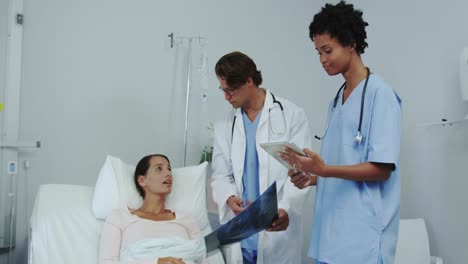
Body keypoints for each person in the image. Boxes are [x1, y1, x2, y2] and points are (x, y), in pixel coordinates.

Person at [280, 1, 402, 264]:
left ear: (350, 44)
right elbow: (341, 165)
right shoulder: (337, 102)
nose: (322, 60)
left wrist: (323, 171)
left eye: (327, 50)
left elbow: (381, 169)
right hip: (330, 237)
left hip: (362, 239)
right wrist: (312, 179)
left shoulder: (381, 96)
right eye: (318, 53)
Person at [210, 51, 312, 264]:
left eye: (230, 90)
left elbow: (302, 173)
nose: (226, 97)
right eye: (223, 90)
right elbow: (220, 175)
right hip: (242, 233)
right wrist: (229, 198)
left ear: (249, 81)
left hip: (278, 232)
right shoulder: (225, 126)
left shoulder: (291, 115)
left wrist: (285, 209)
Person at [99, 154, 206, 264]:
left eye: (169, 169)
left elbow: (202, 259)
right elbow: (107, 262)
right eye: (159, 169)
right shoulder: (120, 217)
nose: (168, 173)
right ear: (142, 180)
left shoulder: (187, 219)